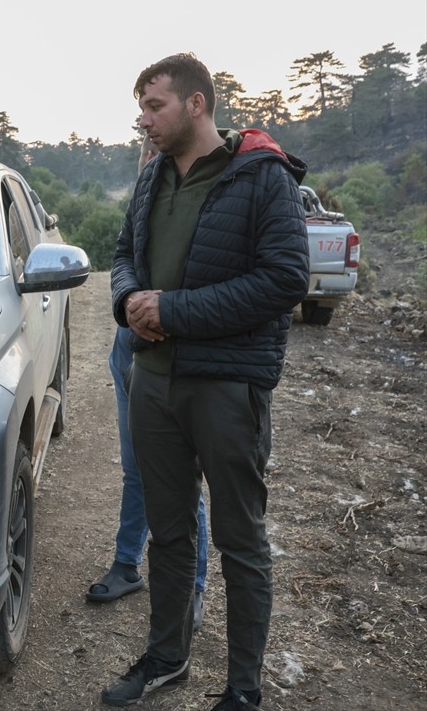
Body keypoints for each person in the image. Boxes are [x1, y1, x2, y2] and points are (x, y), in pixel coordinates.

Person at [101, 54, 309, 710]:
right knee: (168, 533)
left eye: (154, 105)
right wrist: (129, 301)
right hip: (153, 381)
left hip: (227, 386)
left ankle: (243, 689)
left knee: (239, 541)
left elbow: (285, 279)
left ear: (196, 104)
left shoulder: (262, 175)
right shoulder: (151, 178)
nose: (144, 119)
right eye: (141, 107)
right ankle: (167, 658)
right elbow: (124, 257)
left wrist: (175, 311)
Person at [87, 138, 210, 635]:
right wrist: (128, 300)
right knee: (136, 465)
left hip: (174, 353)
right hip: (128, 348)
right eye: (145, 151)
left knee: (181, 477)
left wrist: (165, 311)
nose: (150, 160)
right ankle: (126, 564)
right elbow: (123, 262)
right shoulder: (143, 203)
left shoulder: (198, 206)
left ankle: (193, 587)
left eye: (159, 153)